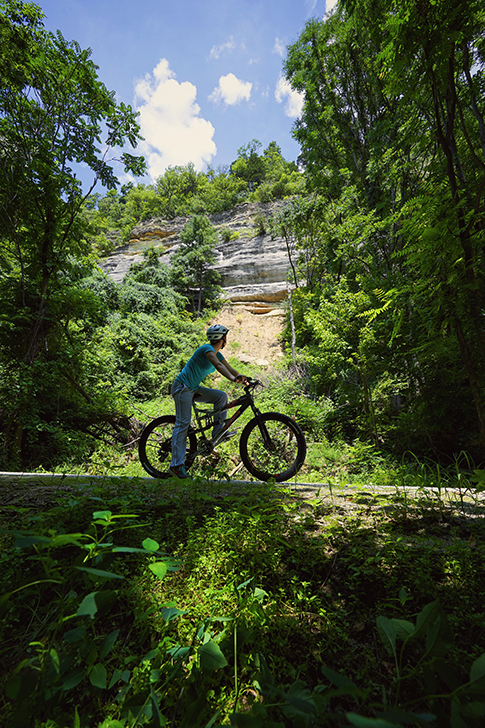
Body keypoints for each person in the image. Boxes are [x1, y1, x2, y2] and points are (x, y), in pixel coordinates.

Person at [169, 324, 247, 479]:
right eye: (226, 337)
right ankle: (176, 466)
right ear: (222, 339)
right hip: (182, 387)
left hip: (193, 388)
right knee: (183, 423)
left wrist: (242, 378)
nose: (226, 340)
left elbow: (229, 368)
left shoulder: (217, 354)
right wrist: (233, 379)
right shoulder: (207, 349)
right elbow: (218, 366)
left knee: (221, 396)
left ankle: (218, 431)